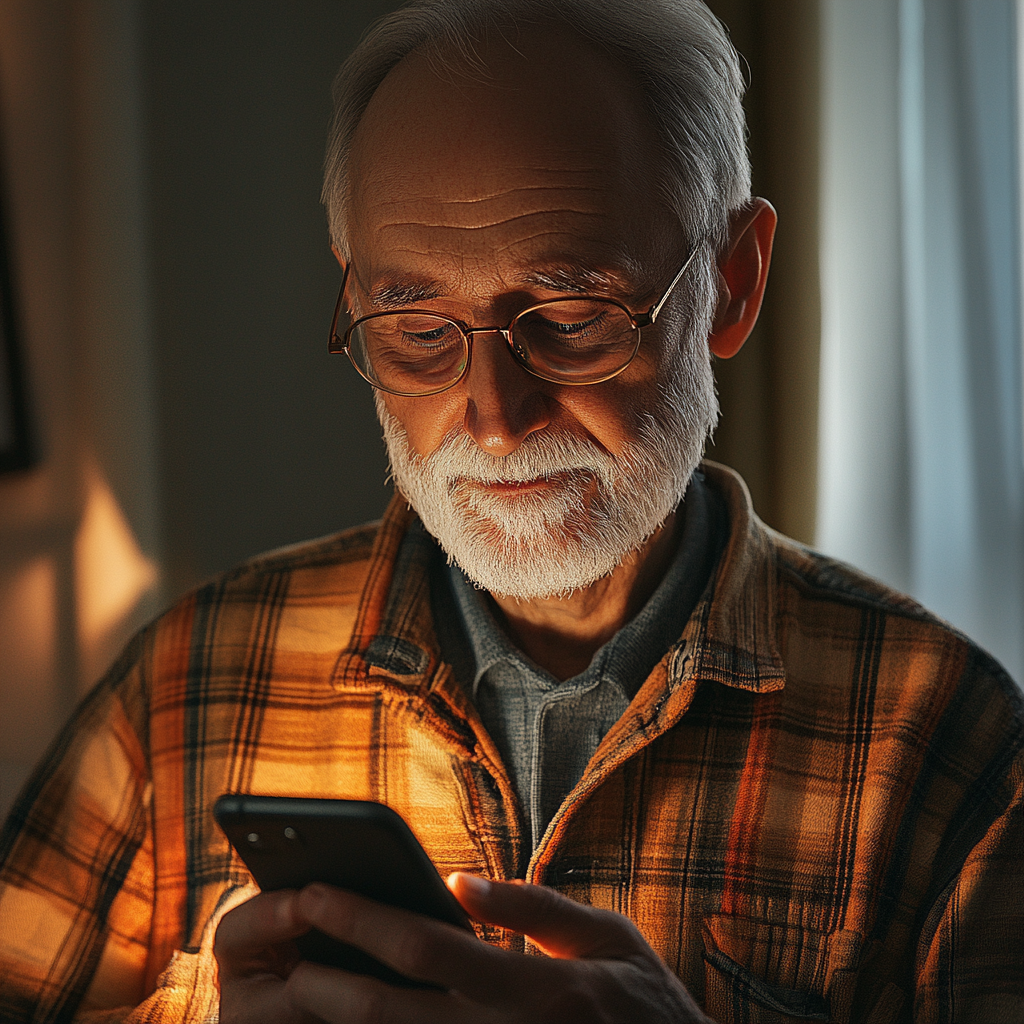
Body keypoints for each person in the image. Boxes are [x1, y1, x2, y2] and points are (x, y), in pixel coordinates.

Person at [1, 0, 1022, 1021]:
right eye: (416, 329)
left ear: (731, 282)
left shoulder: (938, 736)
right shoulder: (193, 681)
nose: (492, 418)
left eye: (572, 318)